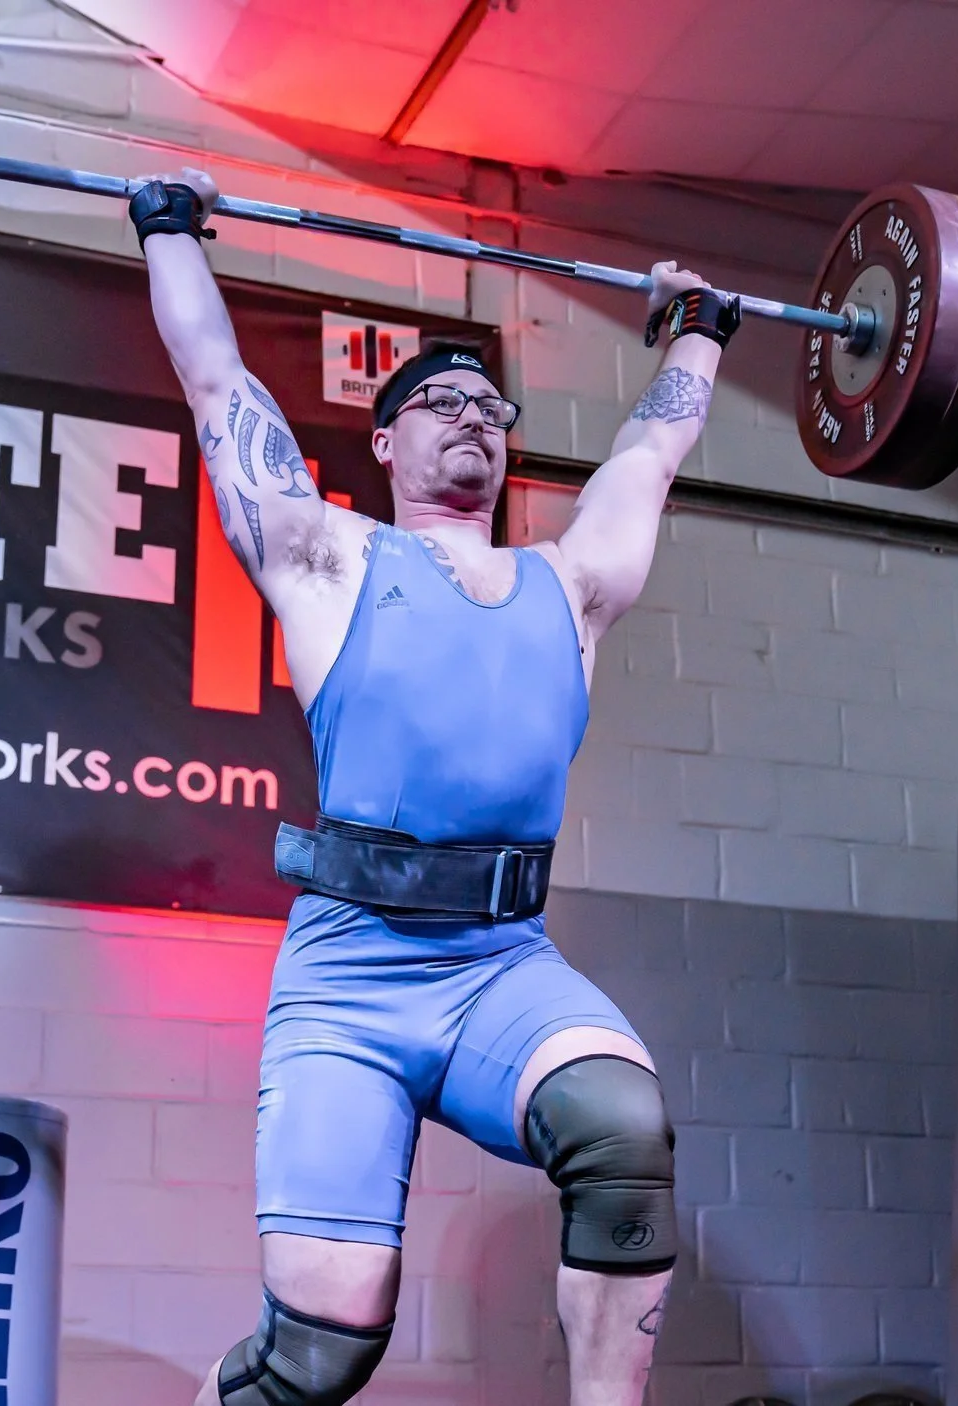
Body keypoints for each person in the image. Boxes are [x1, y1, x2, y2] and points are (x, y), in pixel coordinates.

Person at [130, 168, 737, 1406]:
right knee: (317, 1354)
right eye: (436, 401)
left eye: (489, 405)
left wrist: (699, 329)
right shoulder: (327, 555)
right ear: (385, 440)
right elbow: (215, 381)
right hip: (349, 981)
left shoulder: (571, 585)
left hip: (500, 965)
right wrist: (168, 228)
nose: (470, 416)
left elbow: (653, 449)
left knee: (621, 1123)